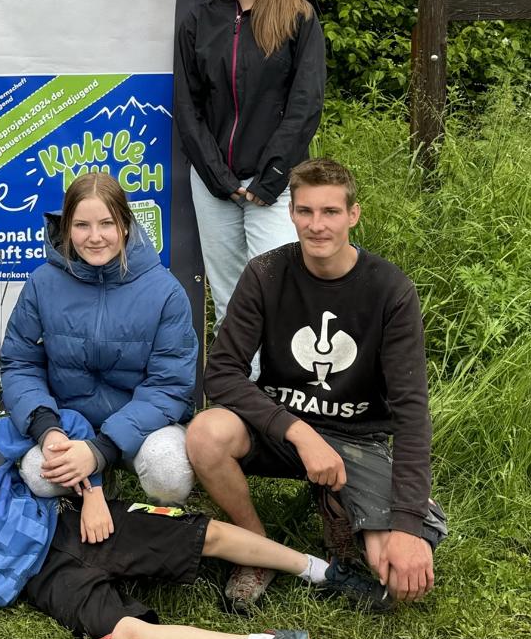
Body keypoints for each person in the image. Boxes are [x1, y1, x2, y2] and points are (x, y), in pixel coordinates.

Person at [0, 362, 335, 639]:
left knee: (201, 532)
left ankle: (321, 571)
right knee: (127, 637)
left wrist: (91, 489)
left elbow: (66, 421)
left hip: (69, 526)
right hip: (43, 582)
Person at [185, 158, 446, 614]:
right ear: (290, 215)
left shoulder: (389, 290)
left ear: (353, 215)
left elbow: (411, 412)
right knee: (206, 434)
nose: (316, 225)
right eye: (305, 212)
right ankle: (256, 547)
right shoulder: (266, 274)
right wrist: (299, 432)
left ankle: (356, 508)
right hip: (283, 431)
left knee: (393, 575)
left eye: (329, 212)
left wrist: (406, 525)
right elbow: (221, 372)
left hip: (357, 436)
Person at [0, 172, 198, 507]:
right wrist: (48, 429)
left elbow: (170, 385)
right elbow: (20, 363)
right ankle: (79, 517)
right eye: (81, 225)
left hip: (142, 429)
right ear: (66, 227)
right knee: (37, 474)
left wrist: (101, 450)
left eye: (106, 223)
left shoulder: (165, 292)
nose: (95, 237)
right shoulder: (42, 283)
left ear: (124, 224)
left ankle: (157, 531)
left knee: (170, 471)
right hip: (69, 423)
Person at [174, 0, 327, 322]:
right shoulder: (199, 21)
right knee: (229, 302)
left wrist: (272, 177)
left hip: (274, 184)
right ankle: (240, 388)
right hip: (214, 186)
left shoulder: (299, 16)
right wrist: (218, 178)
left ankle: (277, 388)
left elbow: (305, 103)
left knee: (278, 296)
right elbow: (188, 107)